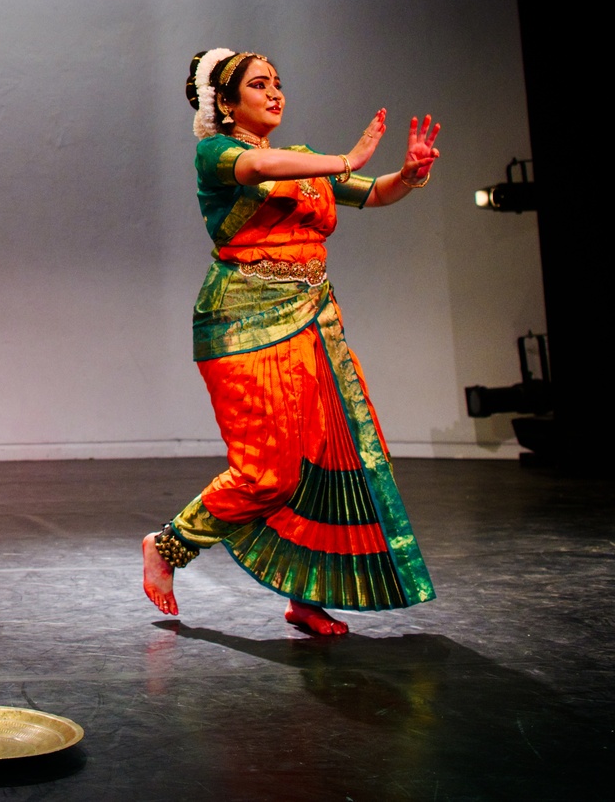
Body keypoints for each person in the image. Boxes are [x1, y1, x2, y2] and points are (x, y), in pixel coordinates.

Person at [142, 49, 441, 636]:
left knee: (329, 462)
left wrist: (408, 174)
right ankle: (170, 543)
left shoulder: (303, 161)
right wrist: (347, 158)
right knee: (266, 474)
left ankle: (306, 598)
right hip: (243, 325)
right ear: (227, 104)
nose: (275, 93)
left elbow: (373, 194)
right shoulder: (216, 153)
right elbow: (258, 167)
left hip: (313, 318)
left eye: (278, 82)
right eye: (259, 84)